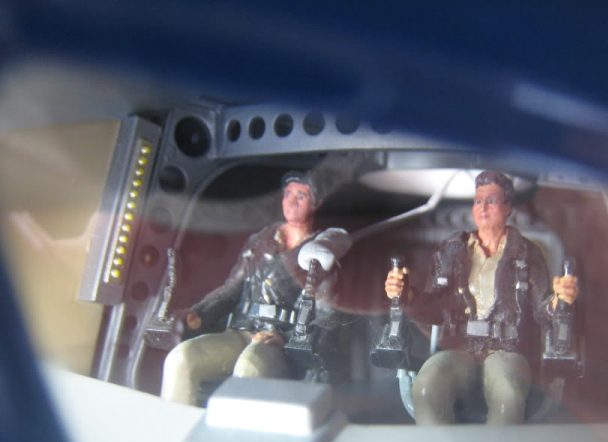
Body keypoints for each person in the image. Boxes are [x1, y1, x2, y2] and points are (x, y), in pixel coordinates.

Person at [384, 170, 578, 424]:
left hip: (508, 350)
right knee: (425, 388)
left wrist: (559, 301)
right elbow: (434, 307)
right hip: (459, 348)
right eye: (478, 201)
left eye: (491, 201)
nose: (482, 208)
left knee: (508, 394)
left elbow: (542, 311)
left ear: (508, 208)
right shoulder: (452, 251)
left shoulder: (527, 254)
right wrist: (406, 295)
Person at [162, 171, 351, 405]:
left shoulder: (320, 254)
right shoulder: (259, 242)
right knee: (182, 358)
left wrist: (287, 338)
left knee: (250, 366)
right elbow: (231, 288)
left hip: (281, 345)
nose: (291, 201)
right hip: (242, 332)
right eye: (288, 194)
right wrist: (200, 313)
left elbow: (326, 319)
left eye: (300, 196)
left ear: (315, 203)